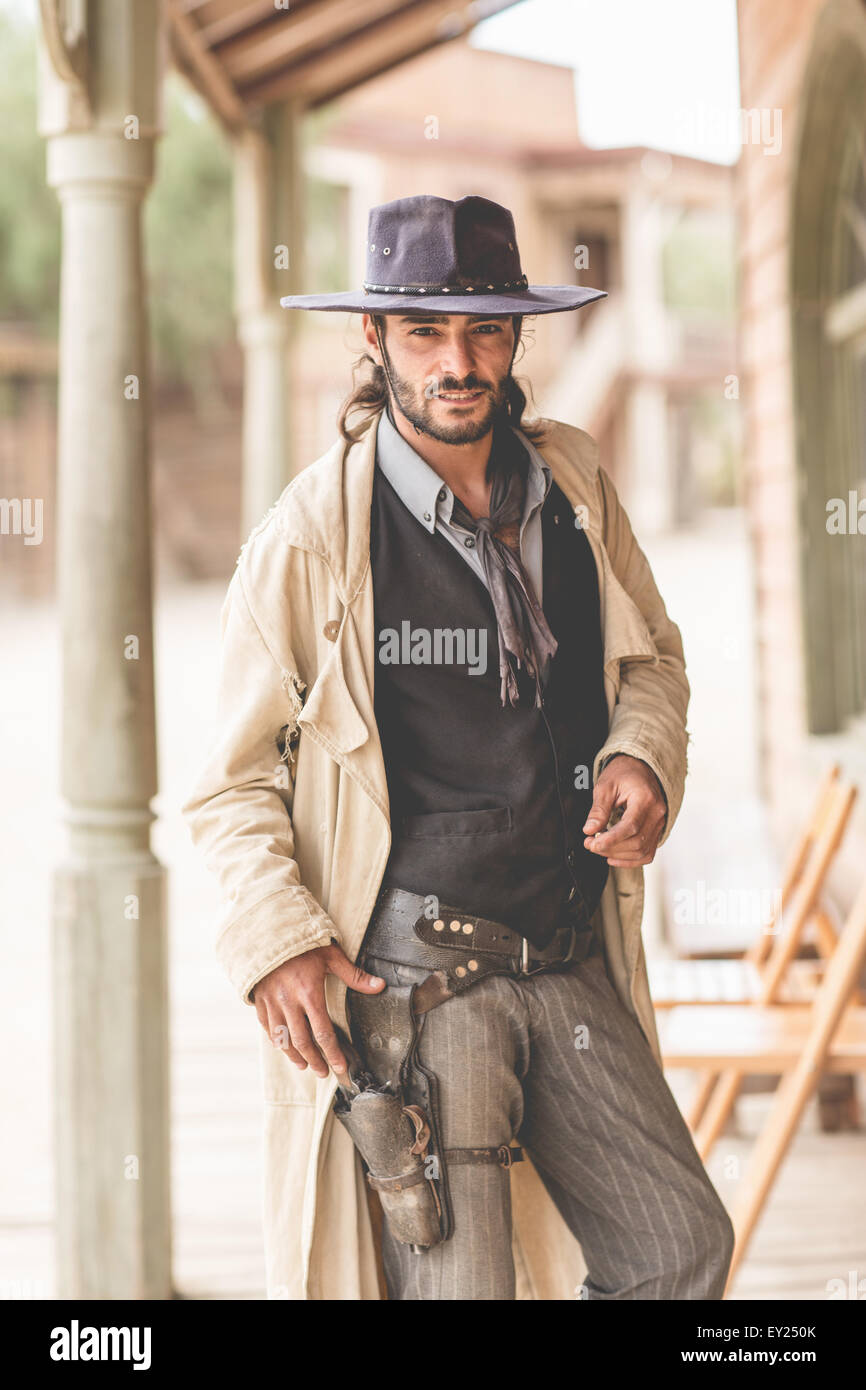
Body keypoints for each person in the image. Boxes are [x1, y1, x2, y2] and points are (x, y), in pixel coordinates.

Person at [182, 194, 735, 1300]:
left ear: (517, 336)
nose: (458, 361)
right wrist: (277, 937)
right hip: (416, 980)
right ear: (374, 339)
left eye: (484, 329)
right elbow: (231, 781)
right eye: (426, 332)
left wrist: (638, 753)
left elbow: (652, 663)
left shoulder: (572, 483)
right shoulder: (309, 534)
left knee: (678, 1246)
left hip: (569, 950)